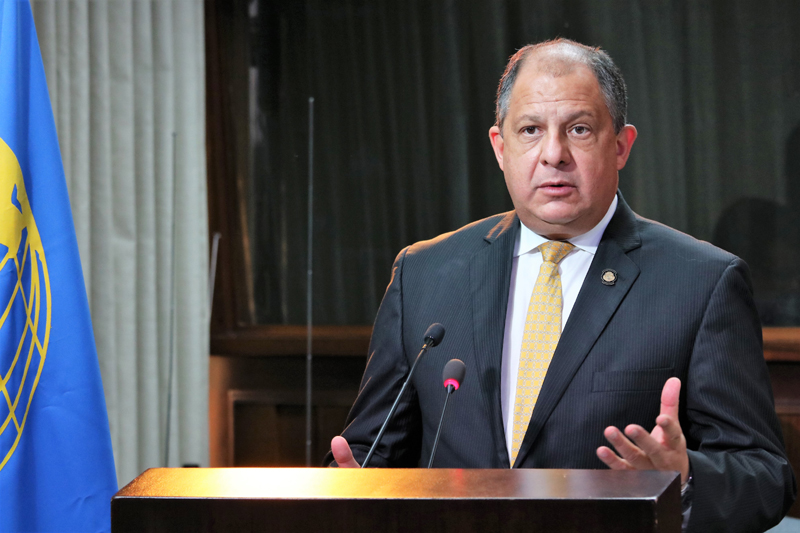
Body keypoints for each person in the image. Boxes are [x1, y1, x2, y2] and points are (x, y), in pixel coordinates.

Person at [326, 39, 796, 532]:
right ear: (500, 147)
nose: (554, 154)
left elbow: (765, 478)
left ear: (620, 146)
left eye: (578, 129)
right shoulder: (424, 274)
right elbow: (368, 454)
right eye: (530, 130)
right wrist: (348, 488)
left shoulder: (701, 282)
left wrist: (684, 477)